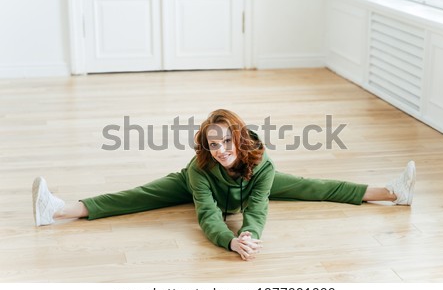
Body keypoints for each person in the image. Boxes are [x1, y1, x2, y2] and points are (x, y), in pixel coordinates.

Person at [32, 109, 416, 261]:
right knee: (139, 196)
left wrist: (249, 233)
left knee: (311, 185)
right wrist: (229, 241)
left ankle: (393, 193)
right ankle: (57, 210)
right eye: (213, 144)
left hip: (247, 188)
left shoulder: (261, 164)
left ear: (239, 139)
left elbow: (258, 208)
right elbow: (207, 215)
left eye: (226, 142)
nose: (220, 150)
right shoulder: (199, 169)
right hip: (205, 190)